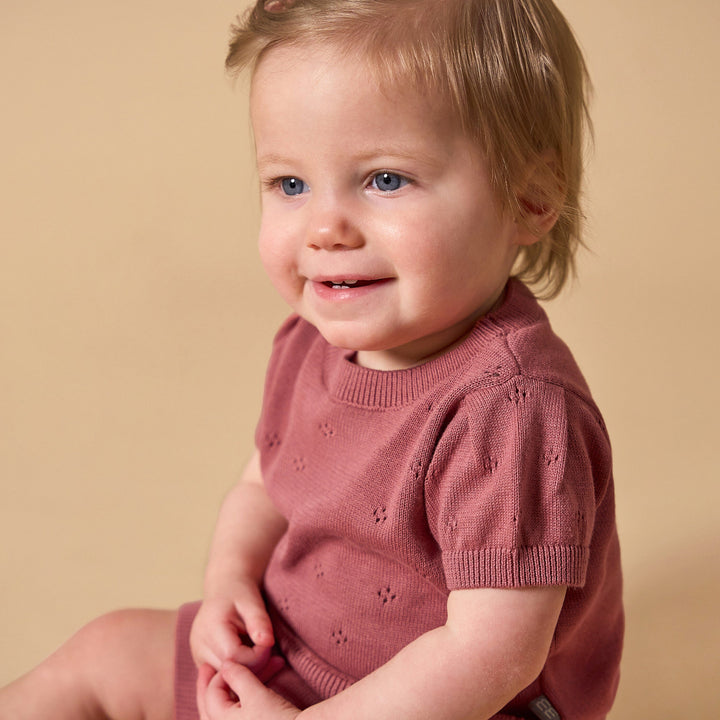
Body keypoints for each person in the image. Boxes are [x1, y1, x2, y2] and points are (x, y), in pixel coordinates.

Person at [0, 1, 623, 719]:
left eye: (385, 179)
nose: (325, 229)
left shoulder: (512, 409)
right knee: (103, 652)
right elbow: (266, 484)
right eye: (290, 185)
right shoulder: (312, 340)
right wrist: (229, 579)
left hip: (457, 703)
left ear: (530, 197)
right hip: (295, 652)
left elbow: (491, 655)